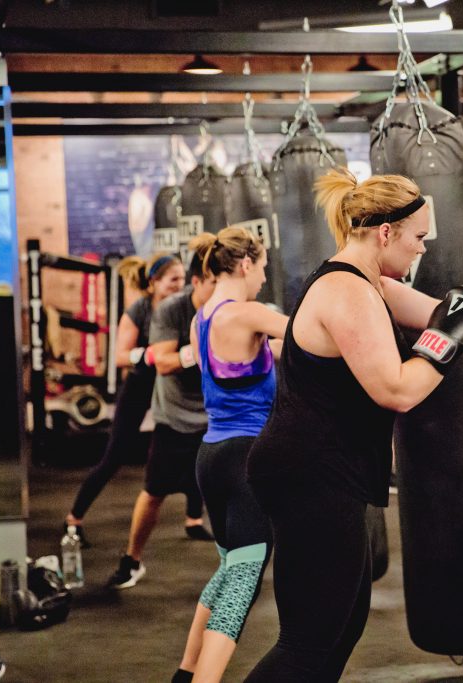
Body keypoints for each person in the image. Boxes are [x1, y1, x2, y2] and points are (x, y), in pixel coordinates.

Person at [243, 168, 463, 681]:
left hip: (330, 471)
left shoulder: (372, 285)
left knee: (340, 628)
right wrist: (447, 343)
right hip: (310, 474)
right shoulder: (347, 292)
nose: (423, 250)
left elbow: (451, 314)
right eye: (419, 238)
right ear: (386, 233)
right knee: (308, 641)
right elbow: (398, 389)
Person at [172, 227, 288, 683]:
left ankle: (186, 674)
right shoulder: (250, 313)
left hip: (211, 457)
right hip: (246, 462)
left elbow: (239, 363)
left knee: (228, 569)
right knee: (243, 581)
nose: (262, 277)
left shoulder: (201, 319)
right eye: (261, 267)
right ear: (245, 264)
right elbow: (318, 335)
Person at [108, 236, 217, 589]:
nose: (220, 289)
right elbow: (165, 363)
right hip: (175, 419)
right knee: (153, 492)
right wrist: (198, 352)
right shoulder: (171, 309)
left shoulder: (231, 307)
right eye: (213, 282)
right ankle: (132, 560)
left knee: (233, 492)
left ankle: (239, 564)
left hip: (216, 418)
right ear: (198, 281)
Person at [64, 253, 192, 547]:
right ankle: (74, 518)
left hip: (172, 386)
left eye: (182, 279)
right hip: (140, 384)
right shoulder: (140, 310)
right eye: (173, 280)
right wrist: (151, 355)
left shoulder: (183, 308)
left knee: (195, 443)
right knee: (115, 455)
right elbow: (120, 357)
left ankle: (194, 520)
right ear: (154, 282)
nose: (179, 285)